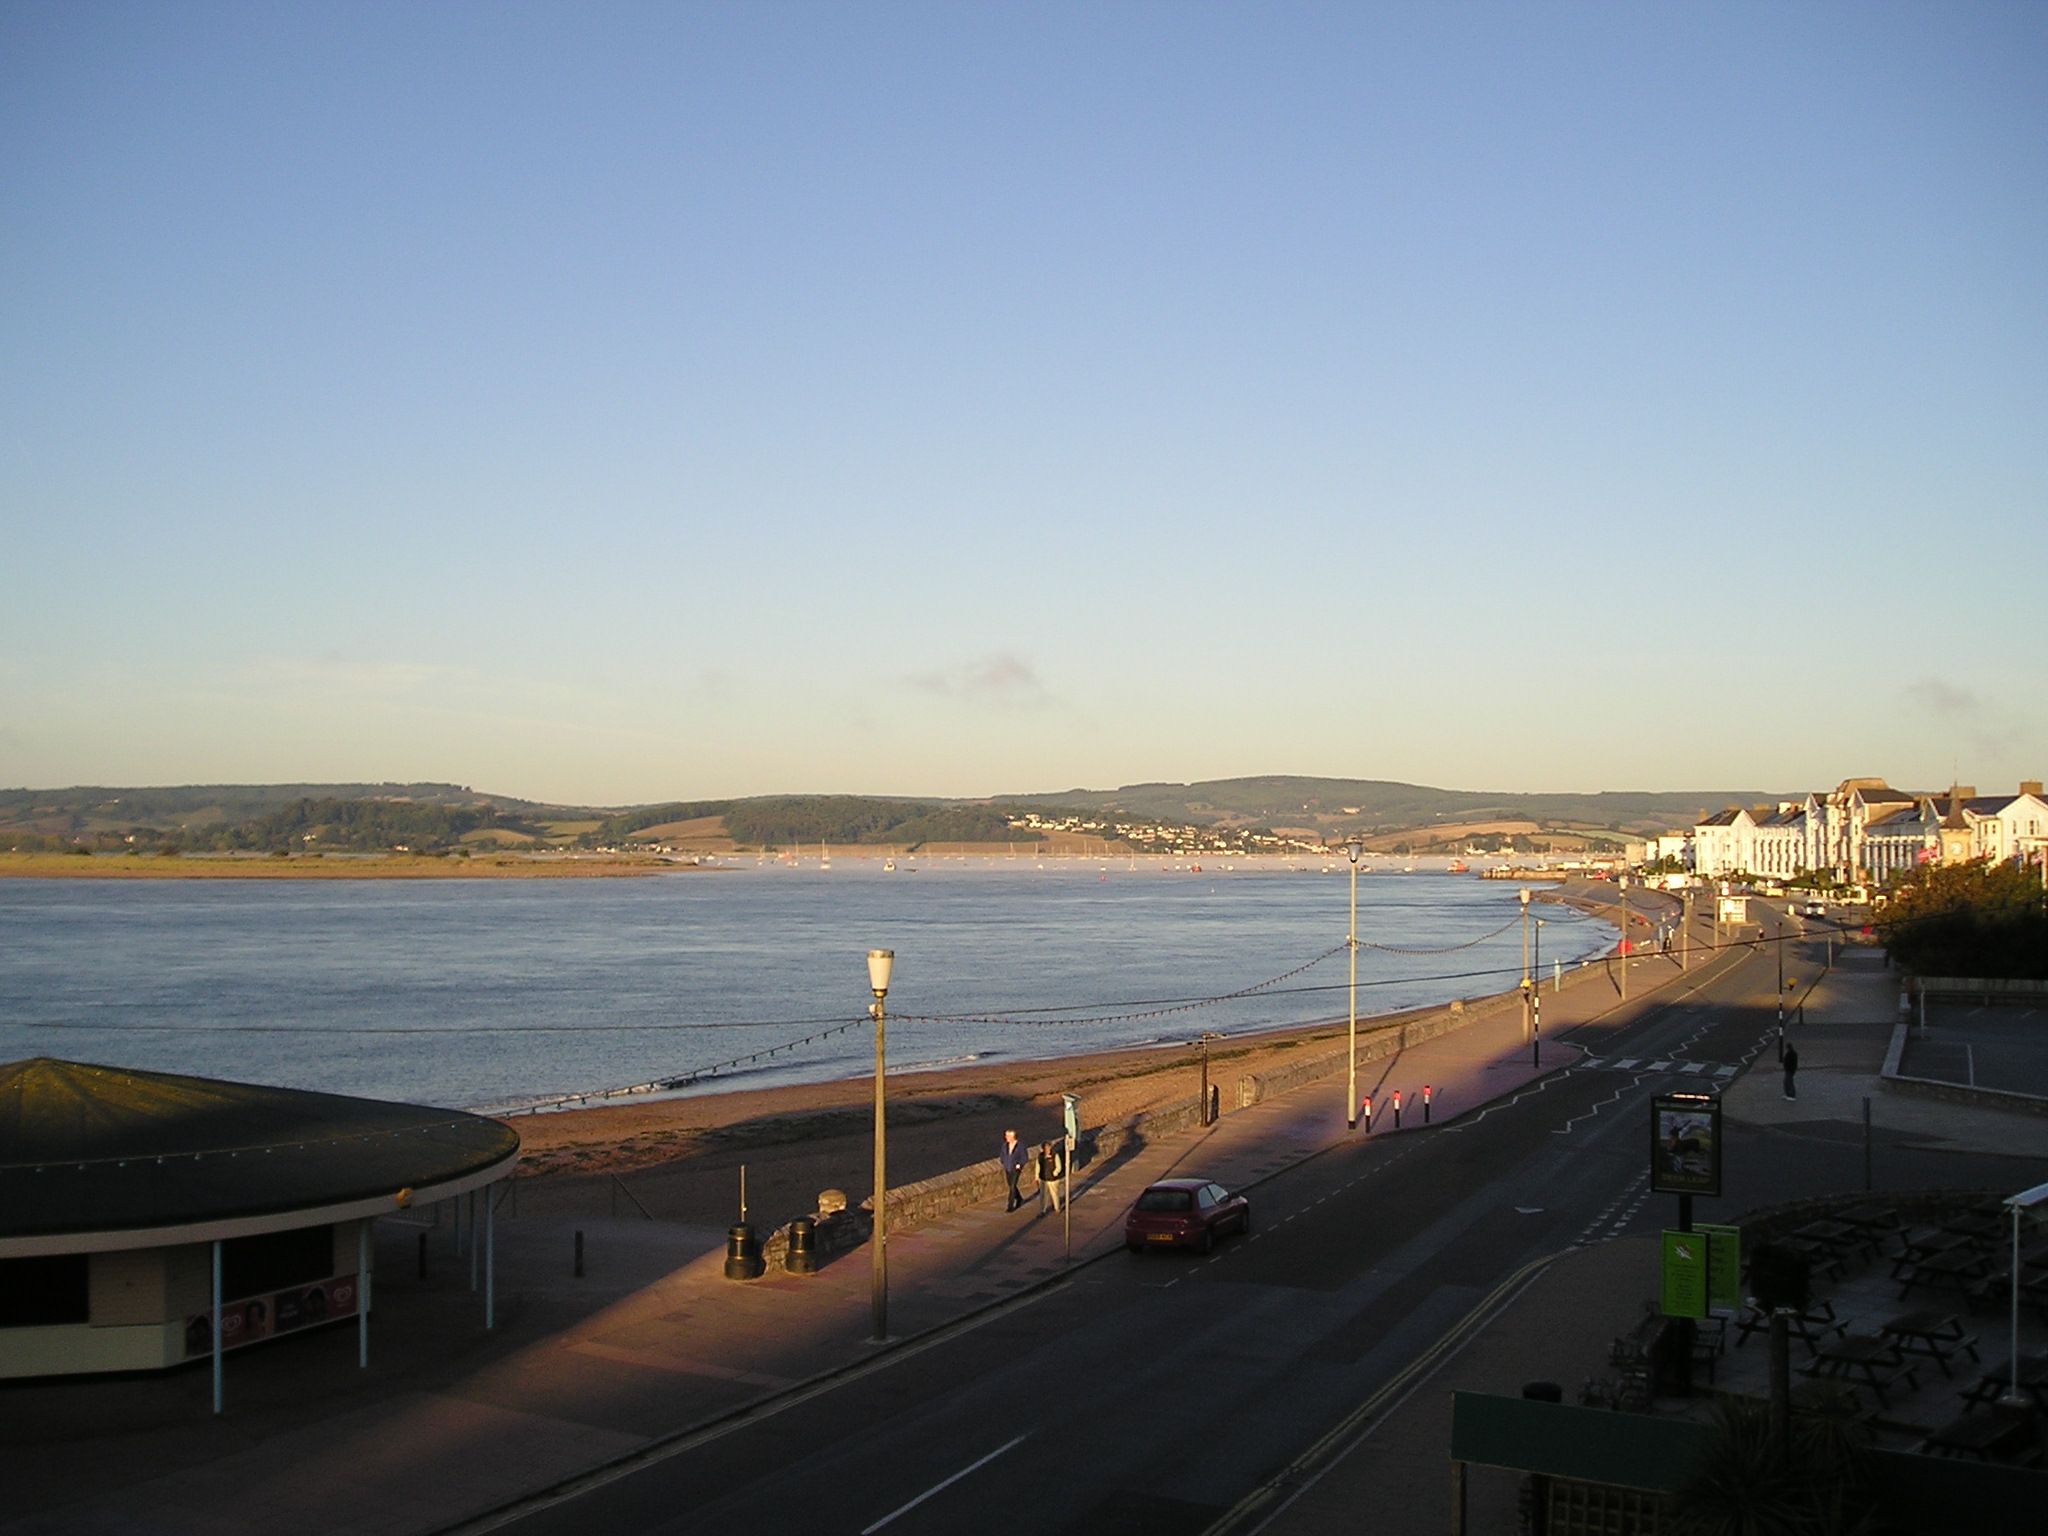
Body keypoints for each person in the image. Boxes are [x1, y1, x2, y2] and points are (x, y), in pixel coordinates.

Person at [1000, 1129, 1029, 1211]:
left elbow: (1024, 1157)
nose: (1005, 1137)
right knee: (1011, 1185)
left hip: (1015, 1169)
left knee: (1012, 1186)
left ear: (1012, 1137)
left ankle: (1010, 1205)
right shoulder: (1005, 1145)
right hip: (1007, 1168)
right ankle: (1019, 1199)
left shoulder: (1020, 1146)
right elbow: (1002, 1155)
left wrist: (1019, 1164)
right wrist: (1004, 1162)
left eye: (1007, 1136)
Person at [1037, 1137, 1065, 1214]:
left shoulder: (1055, 1155)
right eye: (1045, 1148)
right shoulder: (1040, 1156)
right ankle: (1043, 1210)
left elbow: (1059, 1166)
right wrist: (1037, 1175)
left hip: (1053, 1179)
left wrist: (1055, 1173)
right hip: (1043, 1178)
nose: (1047, 1150)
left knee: (1054, 1194)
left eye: (1048, 1148)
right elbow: (1038, 1166)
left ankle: (1057, 1208)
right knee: (1043, 1195)